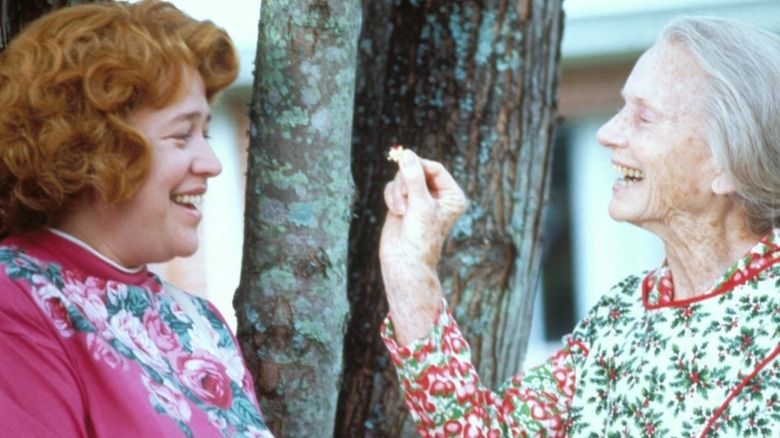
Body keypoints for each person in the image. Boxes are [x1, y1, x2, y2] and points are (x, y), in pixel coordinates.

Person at [379, 16, 780, 437]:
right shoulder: (619, 317)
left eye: (644, 119)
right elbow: (481, 431)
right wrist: (409, 270)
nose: (608, 133)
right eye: (622, 109)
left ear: (729, 166)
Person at [0, 1, 272, 437]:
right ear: (94, 148)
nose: (212, 163)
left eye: (204, 132)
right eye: (183, 135)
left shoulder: (202, 322)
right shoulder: (16, 298)